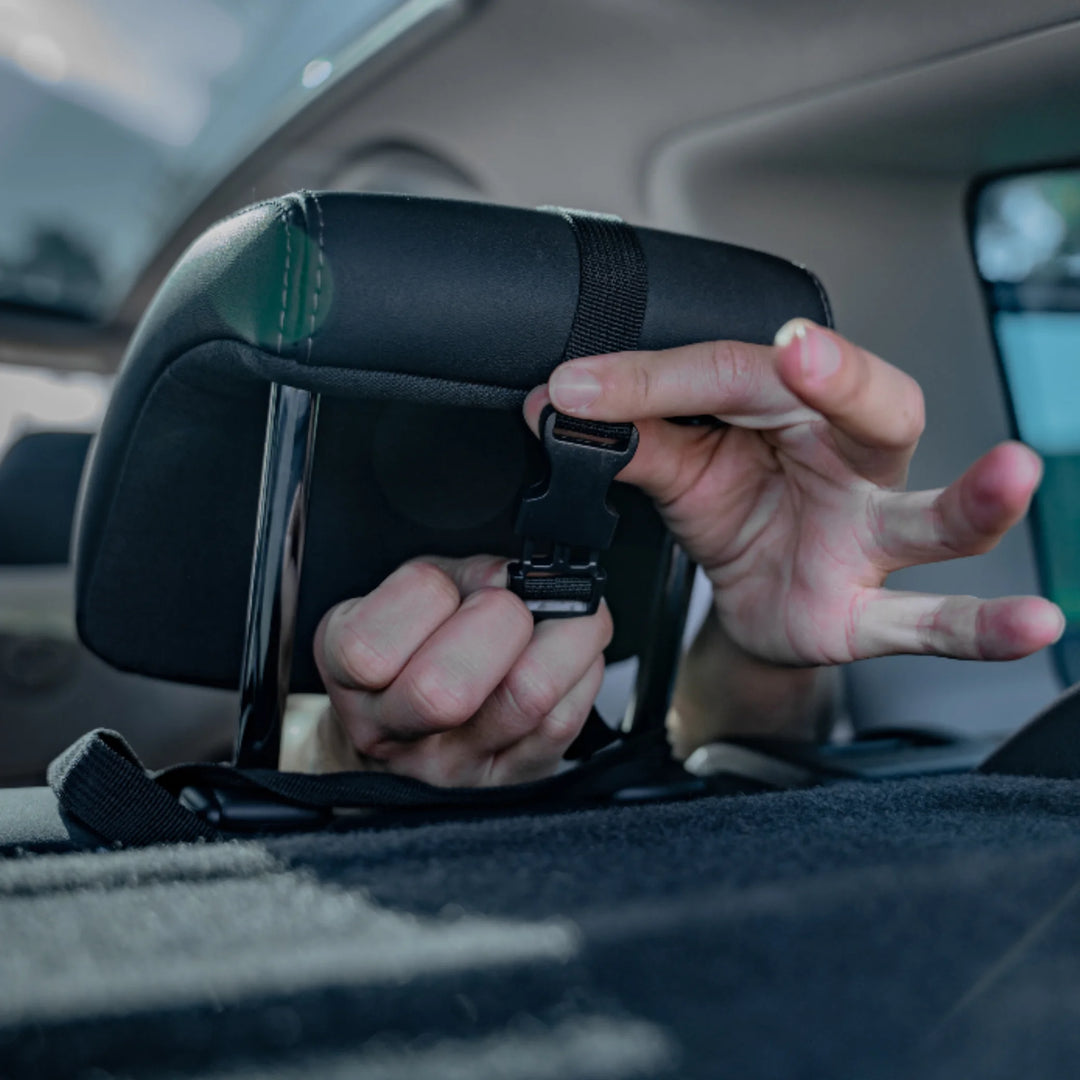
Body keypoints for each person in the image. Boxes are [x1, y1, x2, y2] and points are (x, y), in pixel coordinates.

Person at [287, 320, 1065, 784]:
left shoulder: (701, 538)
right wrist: (331, 755)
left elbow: (703, 756)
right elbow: (183, 755)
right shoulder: (275, 569)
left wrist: (763, 659)